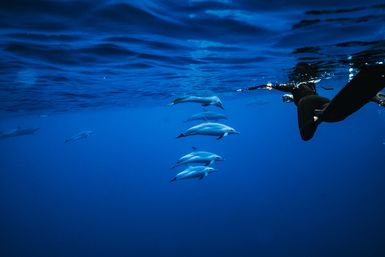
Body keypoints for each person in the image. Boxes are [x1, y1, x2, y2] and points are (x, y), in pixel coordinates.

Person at [237, 63, 385, 141]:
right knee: (333, 113)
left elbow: (270, 85)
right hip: (320, 100)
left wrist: (255, 87)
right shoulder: (310, 81)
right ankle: (370, 96)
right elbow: (301, 91)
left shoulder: (291, 85)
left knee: (306, 135)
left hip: (307, 103)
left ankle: (319, 116)